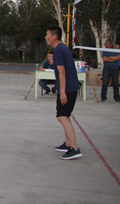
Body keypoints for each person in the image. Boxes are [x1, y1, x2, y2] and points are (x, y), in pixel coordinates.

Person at [45, 26, 82, 160]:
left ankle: (75, 149)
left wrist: (62, 92)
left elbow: (62, 72)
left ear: (54, 36)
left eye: (47, 34)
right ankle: (68, 143)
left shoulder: (58, 50)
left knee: (62, 116)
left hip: (68, 88)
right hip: (71, 87)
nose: (46, 37)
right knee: (65, 115)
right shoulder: (62, 48)